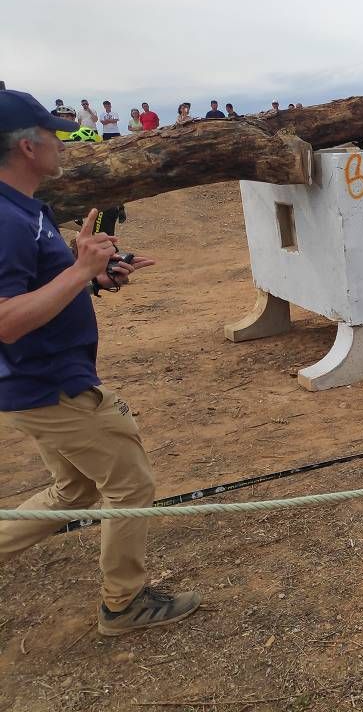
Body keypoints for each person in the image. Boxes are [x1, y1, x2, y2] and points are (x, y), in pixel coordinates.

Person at [0, 89, 201, 636]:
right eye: (54, 133)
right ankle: (124, 603)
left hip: (34, 382)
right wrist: (78, 272)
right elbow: (5, 320)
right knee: (131, 486)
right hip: (52, 386)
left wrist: (95, 275)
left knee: (74, 491)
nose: (63, 141)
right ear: (26, 145)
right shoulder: (7, 220)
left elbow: (40, 289)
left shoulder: (26, 209)